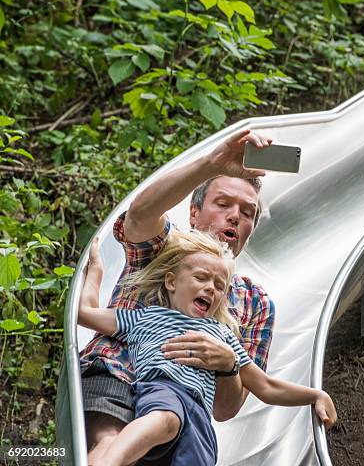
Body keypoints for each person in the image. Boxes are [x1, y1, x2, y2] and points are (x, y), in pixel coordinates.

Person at [78, 130, 278, 458]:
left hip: (180, 406)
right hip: (119, 374)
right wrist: (209, 165)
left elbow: (225, 409)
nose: (234, 216)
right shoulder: (166, 250)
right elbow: (140, 214)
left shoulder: (255, 303)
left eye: (246, 213)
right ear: (194, 214)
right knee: (109, 440)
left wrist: (228, 365)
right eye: (223, 203)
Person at [79, 233, 336, 466]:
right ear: (171, 281)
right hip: (164, 389)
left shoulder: (223, 336)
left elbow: (266, 386)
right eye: (201, 277)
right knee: (166, 419)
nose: (210, 288)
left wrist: (314, 395)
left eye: (219, 285)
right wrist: (96, 272)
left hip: (201, 416)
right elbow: (86, 314)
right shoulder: (143, 318)